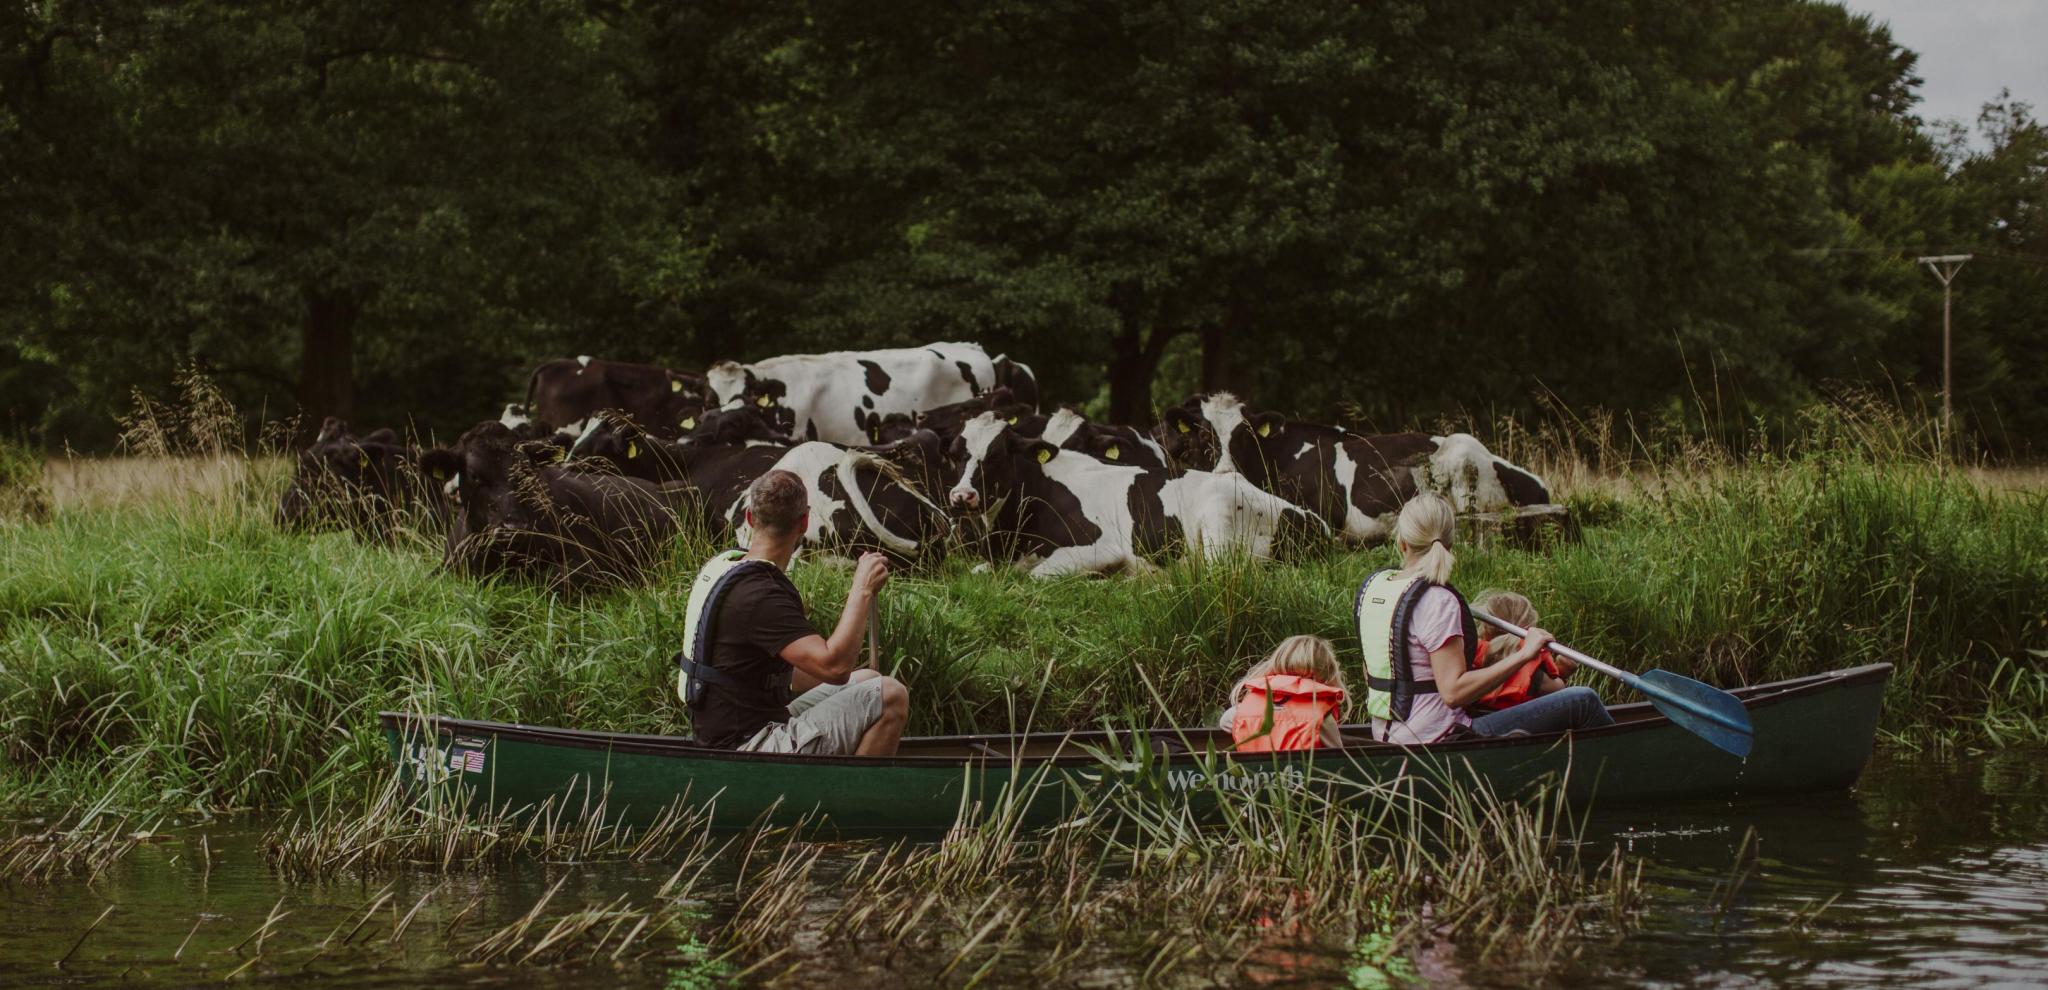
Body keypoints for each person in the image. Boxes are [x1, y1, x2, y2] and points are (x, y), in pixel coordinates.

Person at [676, 469, 910, 755]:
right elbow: (834, 667)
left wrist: (852, 687)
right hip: (746, 745)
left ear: (750, 517)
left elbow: (786, 674)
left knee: (868, 679)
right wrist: (861, 589)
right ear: (804, 522)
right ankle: (853, 797)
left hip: (729, 728)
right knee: (891, 696)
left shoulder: (729, 568)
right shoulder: (762, 595)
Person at [1354, 494, 1612, 744]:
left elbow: (1371, 673)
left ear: (1402, 543)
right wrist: (1523, 654)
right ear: (1450, 544)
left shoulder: (1375, 590)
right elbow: (1453, 692)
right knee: (1583, 700)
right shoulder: (1438, 601)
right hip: (1439, 738)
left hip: (1388, 736)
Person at [1225, 635, 1348, 752]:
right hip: (1302, 773)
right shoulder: (1322, 715)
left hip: (1256, 773)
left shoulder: (1244, 709)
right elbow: (1339, 755)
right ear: (1325, 673)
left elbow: (1225, 721)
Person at [1465, 590, 1580, 715]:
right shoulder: (1531, 667)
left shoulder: (1469, 655)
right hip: (1514, 724)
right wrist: (1564, 672)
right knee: (1583, 697)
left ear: (1486, 630)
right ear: (1529, 632)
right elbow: (1558, 690)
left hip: (1477, 720)